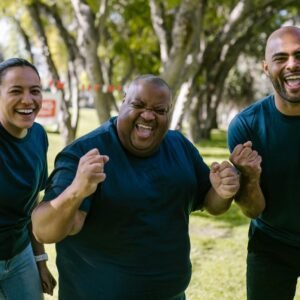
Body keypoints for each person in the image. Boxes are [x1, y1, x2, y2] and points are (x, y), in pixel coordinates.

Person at [32, 74, 239, 300]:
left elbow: (211, 204)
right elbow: (44, 231)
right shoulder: (85, 152)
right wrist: (77, 190)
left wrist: (222, 192)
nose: (148, 115)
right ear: (123, 102)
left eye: (159, 111)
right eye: (138, 105)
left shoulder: (179, 146)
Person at [228, 26, 300, 300]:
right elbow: (252, 209)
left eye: (299, 55)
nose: (292, 64)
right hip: (271, 244)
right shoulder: (246, 126)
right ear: (266, 67)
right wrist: (250, 176)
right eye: (281, 58)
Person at [0, 58, 56, 299]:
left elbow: (33, 203)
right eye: (15, 91)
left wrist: (40, 261)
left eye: (35, 91)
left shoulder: (38, 136)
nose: (28, 100)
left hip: (20, 253)